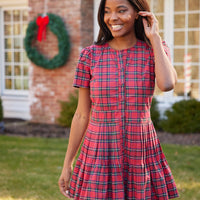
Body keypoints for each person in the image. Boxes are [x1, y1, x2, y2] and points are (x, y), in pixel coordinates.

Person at [58, 0, 179, 199]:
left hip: (140, 149)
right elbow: (81, 114)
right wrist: (67, 163)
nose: (113, 18)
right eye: (107, 12)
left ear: (138, 14)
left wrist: (155, 37)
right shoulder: (90, 56)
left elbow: (167, 84)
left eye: (121, 10)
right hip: (98, 151)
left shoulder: (154, 50)